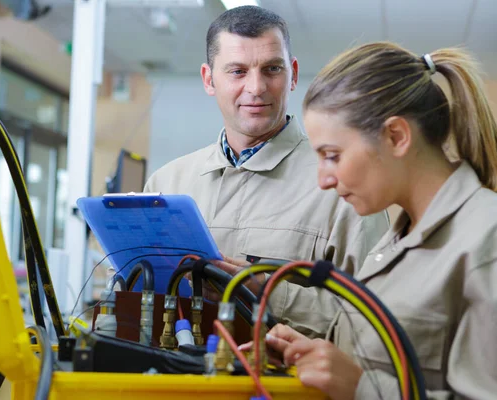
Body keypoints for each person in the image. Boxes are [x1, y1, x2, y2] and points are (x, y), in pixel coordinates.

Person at [240, 42, 497, 399]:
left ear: (396, 136)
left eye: (332, 156)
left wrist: (360, 388)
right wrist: (317, 356)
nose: (323, 180)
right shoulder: (394, 242)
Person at [144, 6, 389, 338]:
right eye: (237, 71)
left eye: (272, 69)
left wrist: (269, 293)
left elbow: (377, 322)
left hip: (286, 388)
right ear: (208, 79)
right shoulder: (165, 184)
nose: (256, 87)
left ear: (293, 74)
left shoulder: (345, 184)